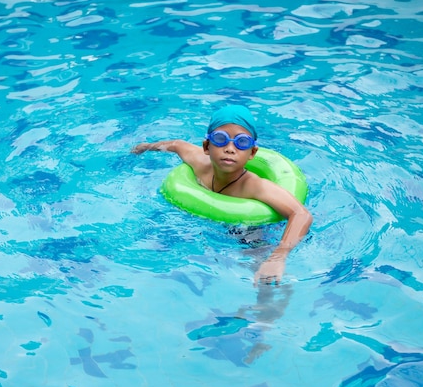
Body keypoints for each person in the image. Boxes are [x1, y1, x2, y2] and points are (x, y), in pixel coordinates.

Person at [131, 105, 312, 285]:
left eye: (241, 142)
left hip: (249, 230)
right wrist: (146, 147)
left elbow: (301, 214)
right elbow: (176, 145)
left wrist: (277, 258)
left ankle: (266, 306)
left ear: (253, 153)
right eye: (220, 139)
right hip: (205, 226)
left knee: (258, 268)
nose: (230, 149)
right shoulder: (200, 164)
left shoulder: (254, 186)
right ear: (207, 147)